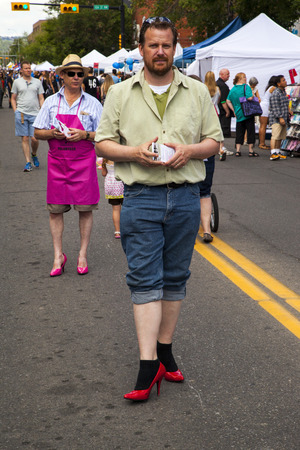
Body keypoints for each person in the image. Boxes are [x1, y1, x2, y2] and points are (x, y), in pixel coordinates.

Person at [95, 17, 223, 401]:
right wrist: (134, 152)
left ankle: (165, 348)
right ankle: (148, 363)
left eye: (167, 45)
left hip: (185, 197)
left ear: (175, 47)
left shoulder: (197, 92)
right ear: (141, 49)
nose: (160, 52)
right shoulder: (120, 93)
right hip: (141, 197)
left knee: (175, 277)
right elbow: (102, 143)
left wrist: (190, 150)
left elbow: (213, 141)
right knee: (144, 278)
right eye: (153, 45)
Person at [33, 54, 102, 276]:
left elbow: (103, 135)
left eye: (79, 73)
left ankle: (82, 254)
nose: (75, 77)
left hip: (83, 164)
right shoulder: (51, 102)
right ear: (61, 75)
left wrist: (85, 134)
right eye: (71, 73)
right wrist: (52, 133)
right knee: (55, 211)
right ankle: (58, 256)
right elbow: (37, 132)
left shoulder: (93, 103)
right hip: (58, 164)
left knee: (85, 210)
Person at [11, 60, 45, 172]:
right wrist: (16, 111)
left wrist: (43, 111)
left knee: (35, 138)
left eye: (29, 68)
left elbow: (41, 98)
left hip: (35, 113)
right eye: (26, 68)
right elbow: (13, 98)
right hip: (21, 113)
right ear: (21, 70)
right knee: (25, 138)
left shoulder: (37, 82)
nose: (28, 70)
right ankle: (28, 162)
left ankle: (34, 154)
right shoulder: (17, 82)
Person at [226, 72, 259, 157]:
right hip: (248, 112)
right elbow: (249, 98)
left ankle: (238, 150)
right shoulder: (246, 87)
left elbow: (228, 101)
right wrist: (252, 96)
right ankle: (251, 151)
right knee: (250, 131)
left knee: (239, 132)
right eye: (244, 77)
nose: (246, 79)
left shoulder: (233, 89)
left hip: (238, 113)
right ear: (240, 78)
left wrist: (234, 110)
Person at [268, 75, 292, 161]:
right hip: (276, 119)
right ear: (278, 83)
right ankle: (273, 153)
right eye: (283, 80)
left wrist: (289, 111)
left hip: (284, 117)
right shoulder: (276, 93)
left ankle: (277, 152)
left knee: (280, 136)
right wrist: (280, 117)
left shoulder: (283, 92)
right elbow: (275, 107)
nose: (285, 81)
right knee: (275, 136)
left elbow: (285, 103)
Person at [101, 159, 124, 238]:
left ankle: (117, 231)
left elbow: (103, 173)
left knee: (115, 209)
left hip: (111, 185)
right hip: (122, 184)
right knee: (126, 208)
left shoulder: (105, 159)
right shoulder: (121, 158)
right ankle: (127, 229)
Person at [216, 68, 234, 157]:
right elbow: (223, 101)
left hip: (217, 110)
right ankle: (221, 148)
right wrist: (227, 111)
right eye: (227, 74)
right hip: (222, 112)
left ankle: (219, 147)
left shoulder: (217, 84)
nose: (229, 76)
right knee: (222, 130)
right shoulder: (223, 86)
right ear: (222, 75)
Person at [258, 76, 277, 150]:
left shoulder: (269, 87)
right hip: (265, 107)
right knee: (263, 125)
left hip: (264, 106)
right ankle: (262, 143)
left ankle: (261, 143)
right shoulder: (273, 88)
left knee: (262, 126)